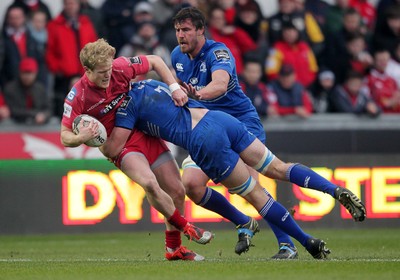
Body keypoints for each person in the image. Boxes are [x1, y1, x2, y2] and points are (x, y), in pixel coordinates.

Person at [170, 6, 365, 259]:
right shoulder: (177, 55)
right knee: (191, 185)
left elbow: (218, 85)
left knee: (262, 181)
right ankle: (244, 222)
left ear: (200, 30)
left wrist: (198, 94)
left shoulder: (218, 52)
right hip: (208, 131)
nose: (180, 35)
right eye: (177, 30)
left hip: (240, 124)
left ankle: (307, 223)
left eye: (185, 30)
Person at [102, 78, 365, 259]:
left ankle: (305, 242)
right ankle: (333, 190)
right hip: (221, 120)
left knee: (256, 194)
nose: (180, 36)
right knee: (271, 169)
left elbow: (115, 147)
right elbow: (156, 64)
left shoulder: (127, 106)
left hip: (206, 138)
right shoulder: (156, 79)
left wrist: (92, 135)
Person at [60, 38, 213, 261]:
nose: (107, 75)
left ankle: (174, 249)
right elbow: (64, 137)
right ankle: (188, 227)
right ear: (87, 70)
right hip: (120, 146)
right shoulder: (78, 96)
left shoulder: (119, 68)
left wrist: (174, 88)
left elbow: (156, 61)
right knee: (149, 183)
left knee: (177, 191)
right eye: (102, 71)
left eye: (109, 69)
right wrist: (81, 137)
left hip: (143, 133)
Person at [46, 0, 98, 118]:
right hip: (63, 77)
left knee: (86, 109)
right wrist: (57, 69)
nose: (70, 6)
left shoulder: (86, 23)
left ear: (78, 5)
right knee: (64, 110)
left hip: (85, 74)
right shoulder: (54, 25)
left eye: (73, 3)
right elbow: (50, 51)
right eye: (67, 3)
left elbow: (94, 46)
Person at [3, 57, 51, 124]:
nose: (27, 76)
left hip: (37, 127)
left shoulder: (40, 88)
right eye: (24, 73)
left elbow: (48, 108)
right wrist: (34, 114)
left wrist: (44, 116)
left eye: (30, 73)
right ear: (19, 73)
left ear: (35, 73)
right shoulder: (10, 88)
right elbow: (13, 110)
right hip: (15, 125)